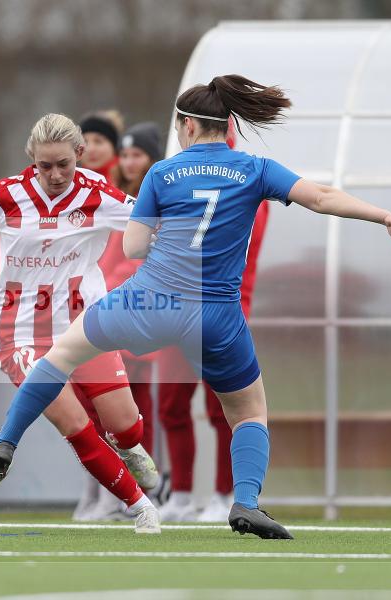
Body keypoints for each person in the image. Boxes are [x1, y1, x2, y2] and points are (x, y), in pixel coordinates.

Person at [0, 75, 391, 540]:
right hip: (217, 315)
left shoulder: (162, 172)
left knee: (58, 358)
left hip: (149, 302)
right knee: (249, 413)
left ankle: (6, 443)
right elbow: (320, 197)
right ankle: (246, 502)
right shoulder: (255, 168)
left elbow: (135, 247)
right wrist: (383, 215)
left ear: (189, 126)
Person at [0, 113, 161, 534]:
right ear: (31, 159)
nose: (55, 175)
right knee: (75, 424)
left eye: (64, 164)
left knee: (127, 425)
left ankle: (128, 447)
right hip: (21, 334)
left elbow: (149, 227)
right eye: (44, 166)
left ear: (80, 154)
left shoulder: (99, 193)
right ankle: (141, 506)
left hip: (85, 327)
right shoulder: (6, 196)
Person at [157, 119, 270, 523]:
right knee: (170, 404)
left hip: (218, 310)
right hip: (173, 308)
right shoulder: (173, 175)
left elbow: (242, 256)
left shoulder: (247, 179)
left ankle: (225, 494)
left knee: (226, 406)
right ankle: (182, 494)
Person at [77, 122, 165, 521]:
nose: (130, 163)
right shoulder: (108, 197)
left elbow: (139, 260)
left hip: (139, 317)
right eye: (125, 155)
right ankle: (105, 491)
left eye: (137, 155)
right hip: (104, 315)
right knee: (95, 411)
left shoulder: (153, 198)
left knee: (135, 412)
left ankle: (145, 490)